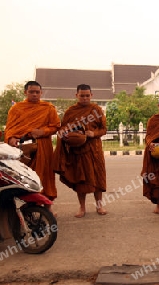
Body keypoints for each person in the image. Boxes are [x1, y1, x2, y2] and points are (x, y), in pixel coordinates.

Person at [4, 81, 60, 215]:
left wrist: (43, 131)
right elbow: (10, 129)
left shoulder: (48, 108)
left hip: (43, 146)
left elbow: (56, 126)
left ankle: (47, 208)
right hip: (24, 148)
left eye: (37, 92)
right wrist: (11, 139)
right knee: (26, 178)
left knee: (45, 177)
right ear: (25, 92)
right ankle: (30, 208)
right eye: (31, 92)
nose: (34, 94)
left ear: (41, 92)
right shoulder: (16, 108)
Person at [53, 84, 108, 217]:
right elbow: (62, 129)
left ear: (91, 95)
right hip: (77, 150)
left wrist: (93, 134)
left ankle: (99, 206)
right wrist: (66, 134)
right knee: (80, 179)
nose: (84, 98)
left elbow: (104, 129)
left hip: (94, 149)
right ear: (76, 95)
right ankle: (82, 208)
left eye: (87, 95)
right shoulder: (70, 111)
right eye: (82, 95)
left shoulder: (96, 110)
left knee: (97, 178)